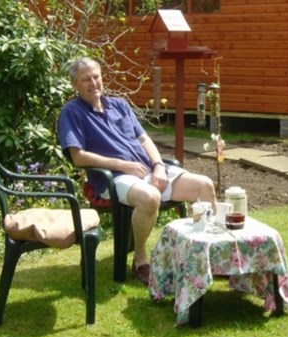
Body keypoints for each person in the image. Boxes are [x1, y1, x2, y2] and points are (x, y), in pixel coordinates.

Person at [58, 57, 217, 285]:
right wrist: (121, 165)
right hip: (114, 178)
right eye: (86, 79)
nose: (93, 82)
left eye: (96, 76)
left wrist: (159, 166)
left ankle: (207, 253)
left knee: (204, 185)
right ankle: (140, 259)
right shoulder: (71, 112)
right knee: (150, 197)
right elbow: (78, 156)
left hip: (148, 170)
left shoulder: (119, 105)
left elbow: (144, 138)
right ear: (75, 85)